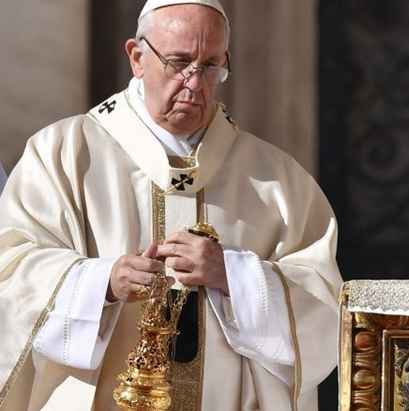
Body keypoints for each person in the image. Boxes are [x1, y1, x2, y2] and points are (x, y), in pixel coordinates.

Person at [0, 1, 342, 410]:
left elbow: (326, 310)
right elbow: (10, 273)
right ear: (137, 57)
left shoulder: (278, 181)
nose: (195, 84)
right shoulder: (62, 155)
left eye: (211, 66)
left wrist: (234, 276)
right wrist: (101, 283)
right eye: (179, 62)